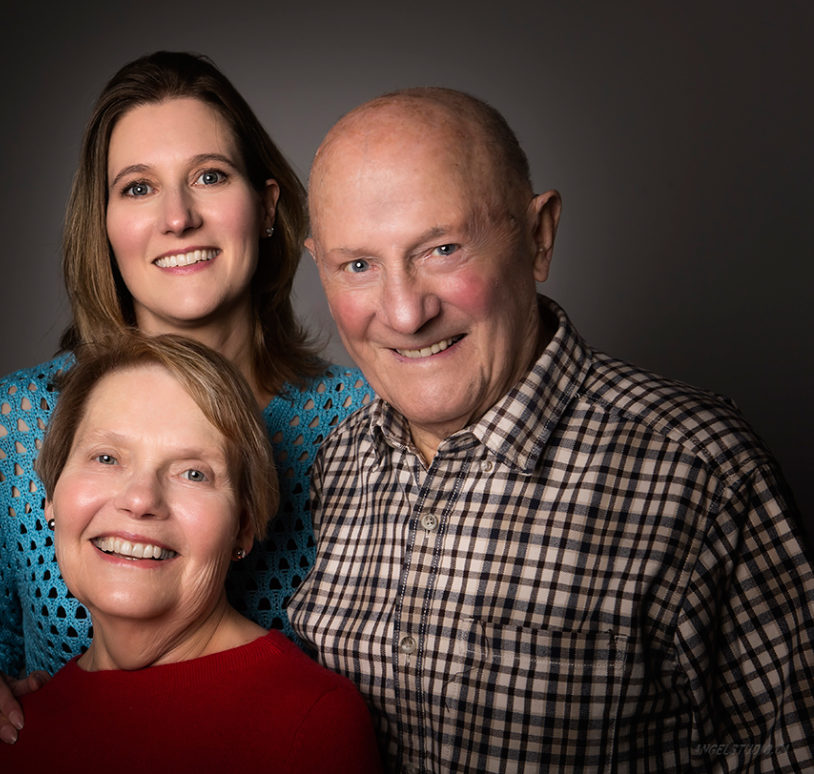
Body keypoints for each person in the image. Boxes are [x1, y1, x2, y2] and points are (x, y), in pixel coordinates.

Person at [288, 87, 814, 772]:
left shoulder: (697, 471)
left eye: (442, 248)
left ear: (538, 238)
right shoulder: (339, 461)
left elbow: (778, 751)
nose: (404, 311)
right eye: (358, 265)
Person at [0, 50, 373, 751]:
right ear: (102, 224)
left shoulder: (362, 420)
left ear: (268, 206)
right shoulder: (5, 428)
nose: (178, 217)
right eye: (137, 188)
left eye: (210, 177)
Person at [0, 334, 382, 772]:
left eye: (193, 473)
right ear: (51, 496)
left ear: (243, 527)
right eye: (106, 458)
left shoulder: (312, 726)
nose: (141, 499)